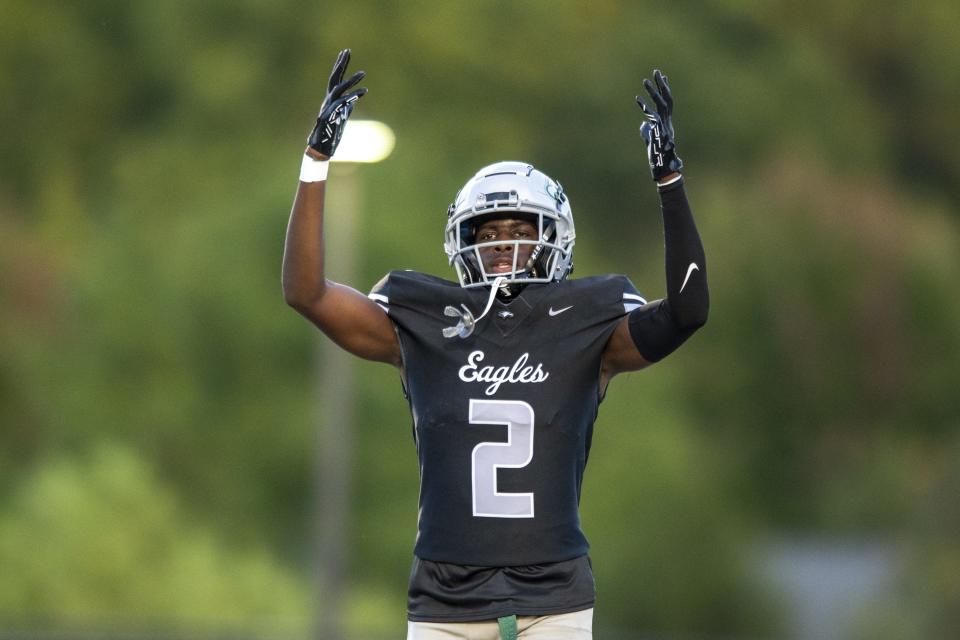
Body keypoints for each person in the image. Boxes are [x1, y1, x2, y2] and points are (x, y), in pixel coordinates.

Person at [282, 49, 709, 640]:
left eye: (519, 231)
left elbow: (689, 310)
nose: (502, 246)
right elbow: (306, 292)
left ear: (552, 239)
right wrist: (315, 162)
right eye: (488, 233)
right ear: (461, 241)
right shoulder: (423, 315)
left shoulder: (587, 318)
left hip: (554, 592)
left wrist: (669, 181)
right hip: (443, 595)